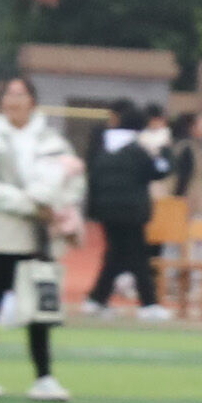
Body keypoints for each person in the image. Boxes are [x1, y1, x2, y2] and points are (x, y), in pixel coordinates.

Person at [0, 73, 76, 399]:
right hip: (4, 229)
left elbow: (70, 180)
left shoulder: (51, 139)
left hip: (38, 235)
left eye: (20, 94)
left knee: (39, 305)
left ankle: (43, 376)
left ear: (32, 101)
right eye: (8, 94)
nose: (13, 101)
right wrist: (31, 204)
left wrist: (55, 206)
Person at [82, 99, 169, 315]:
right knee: (138, 255)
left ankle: (96, 299)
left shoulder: (103, 146)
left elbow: (93, 175)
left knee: (116, 254)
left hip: (105, 210)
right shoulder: (138, 149)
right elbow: (159, 171)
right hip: (131, 212)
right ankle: (149, 304)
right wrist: (165, 152)